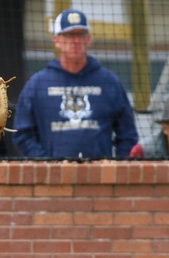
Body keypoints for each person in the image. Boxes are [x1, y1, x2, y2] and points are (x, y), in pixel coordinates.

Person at [13, 9, 138, 159]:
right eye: (69, 35)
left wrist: (118, 168)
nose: (76, 41)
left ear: (88, 39)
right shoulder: (38, 84)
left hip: (99, 176)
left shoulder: (109, 82)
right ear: (57, 40)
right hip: (53, 178)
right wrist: (45, 164)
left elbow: (128, 135)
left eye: (81, 34)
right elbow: (22, 133)